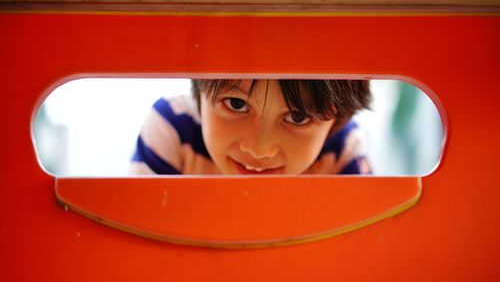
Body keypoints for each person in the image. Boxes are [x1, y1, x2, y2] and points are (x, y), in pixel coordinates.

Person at [129, 79, 372, 175]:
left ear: (336, 121)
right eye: (237, 104)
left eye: (298, 117)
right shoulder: (172, 128)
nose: (259, 149)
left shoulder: (342, 152)